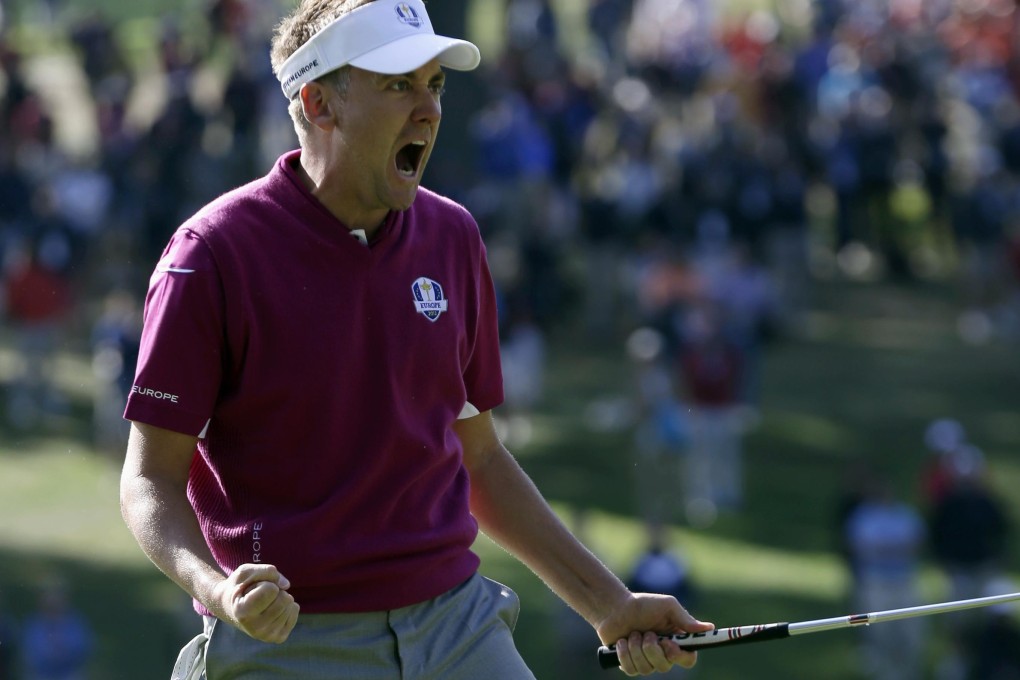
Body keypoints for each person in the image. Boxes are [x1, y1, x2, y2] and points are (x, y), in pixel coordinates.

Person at [117, 1, 713, 678]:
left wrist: (610, 603)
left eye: (435, 85)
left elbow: (479, 459)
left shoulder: (452, 237)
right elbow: (149, 480)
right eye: (399, 85)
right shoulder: (212, 256)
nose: (428, 109)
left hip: (457, 625)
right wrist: (218, 590)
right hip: (291, 641)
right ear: (319, 104)